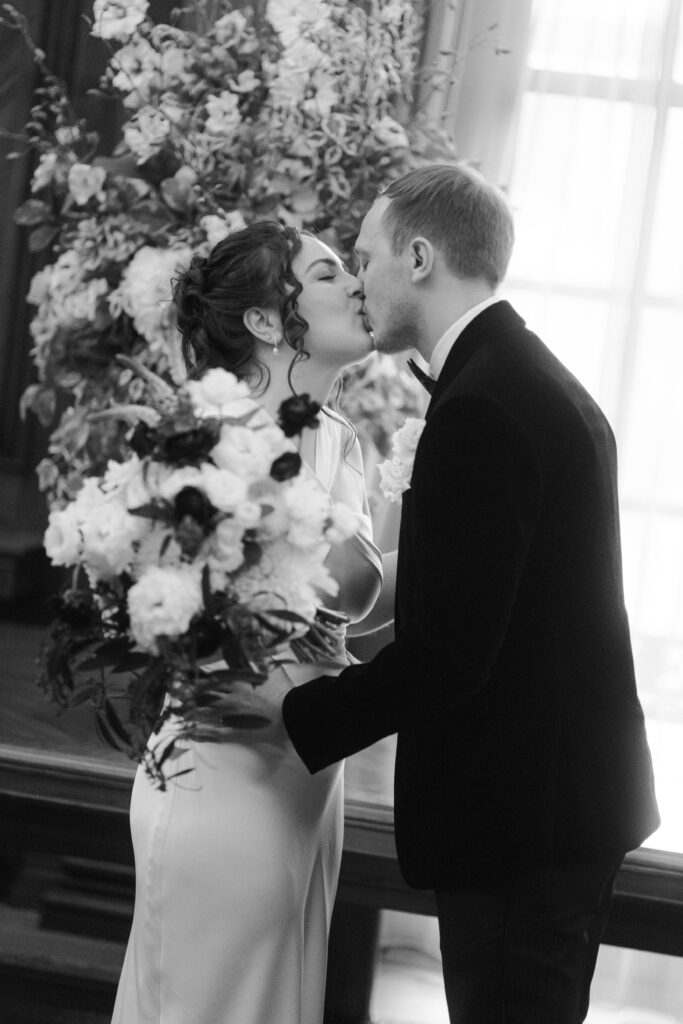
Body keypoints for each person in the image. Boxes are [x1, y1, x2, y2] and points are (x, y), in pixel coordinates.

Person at [281, 164, 661, 1024]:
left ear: (418, 258)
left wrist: (293, 718)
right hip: (551, 805)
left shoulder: (484, 406)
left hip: (520, 822)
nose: (360, 279)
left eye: (365, 256)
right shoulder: (520, 376)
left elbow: (452, 652)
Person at [111, 222, 382, 1024]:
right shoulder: (205, 441)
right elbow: (168, 623)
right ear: (268, 320)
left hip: (307, 778)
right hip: (224, 772)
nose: (357, 287)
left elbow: (360, 598)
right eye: (331, 273)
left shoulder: (342, 441)